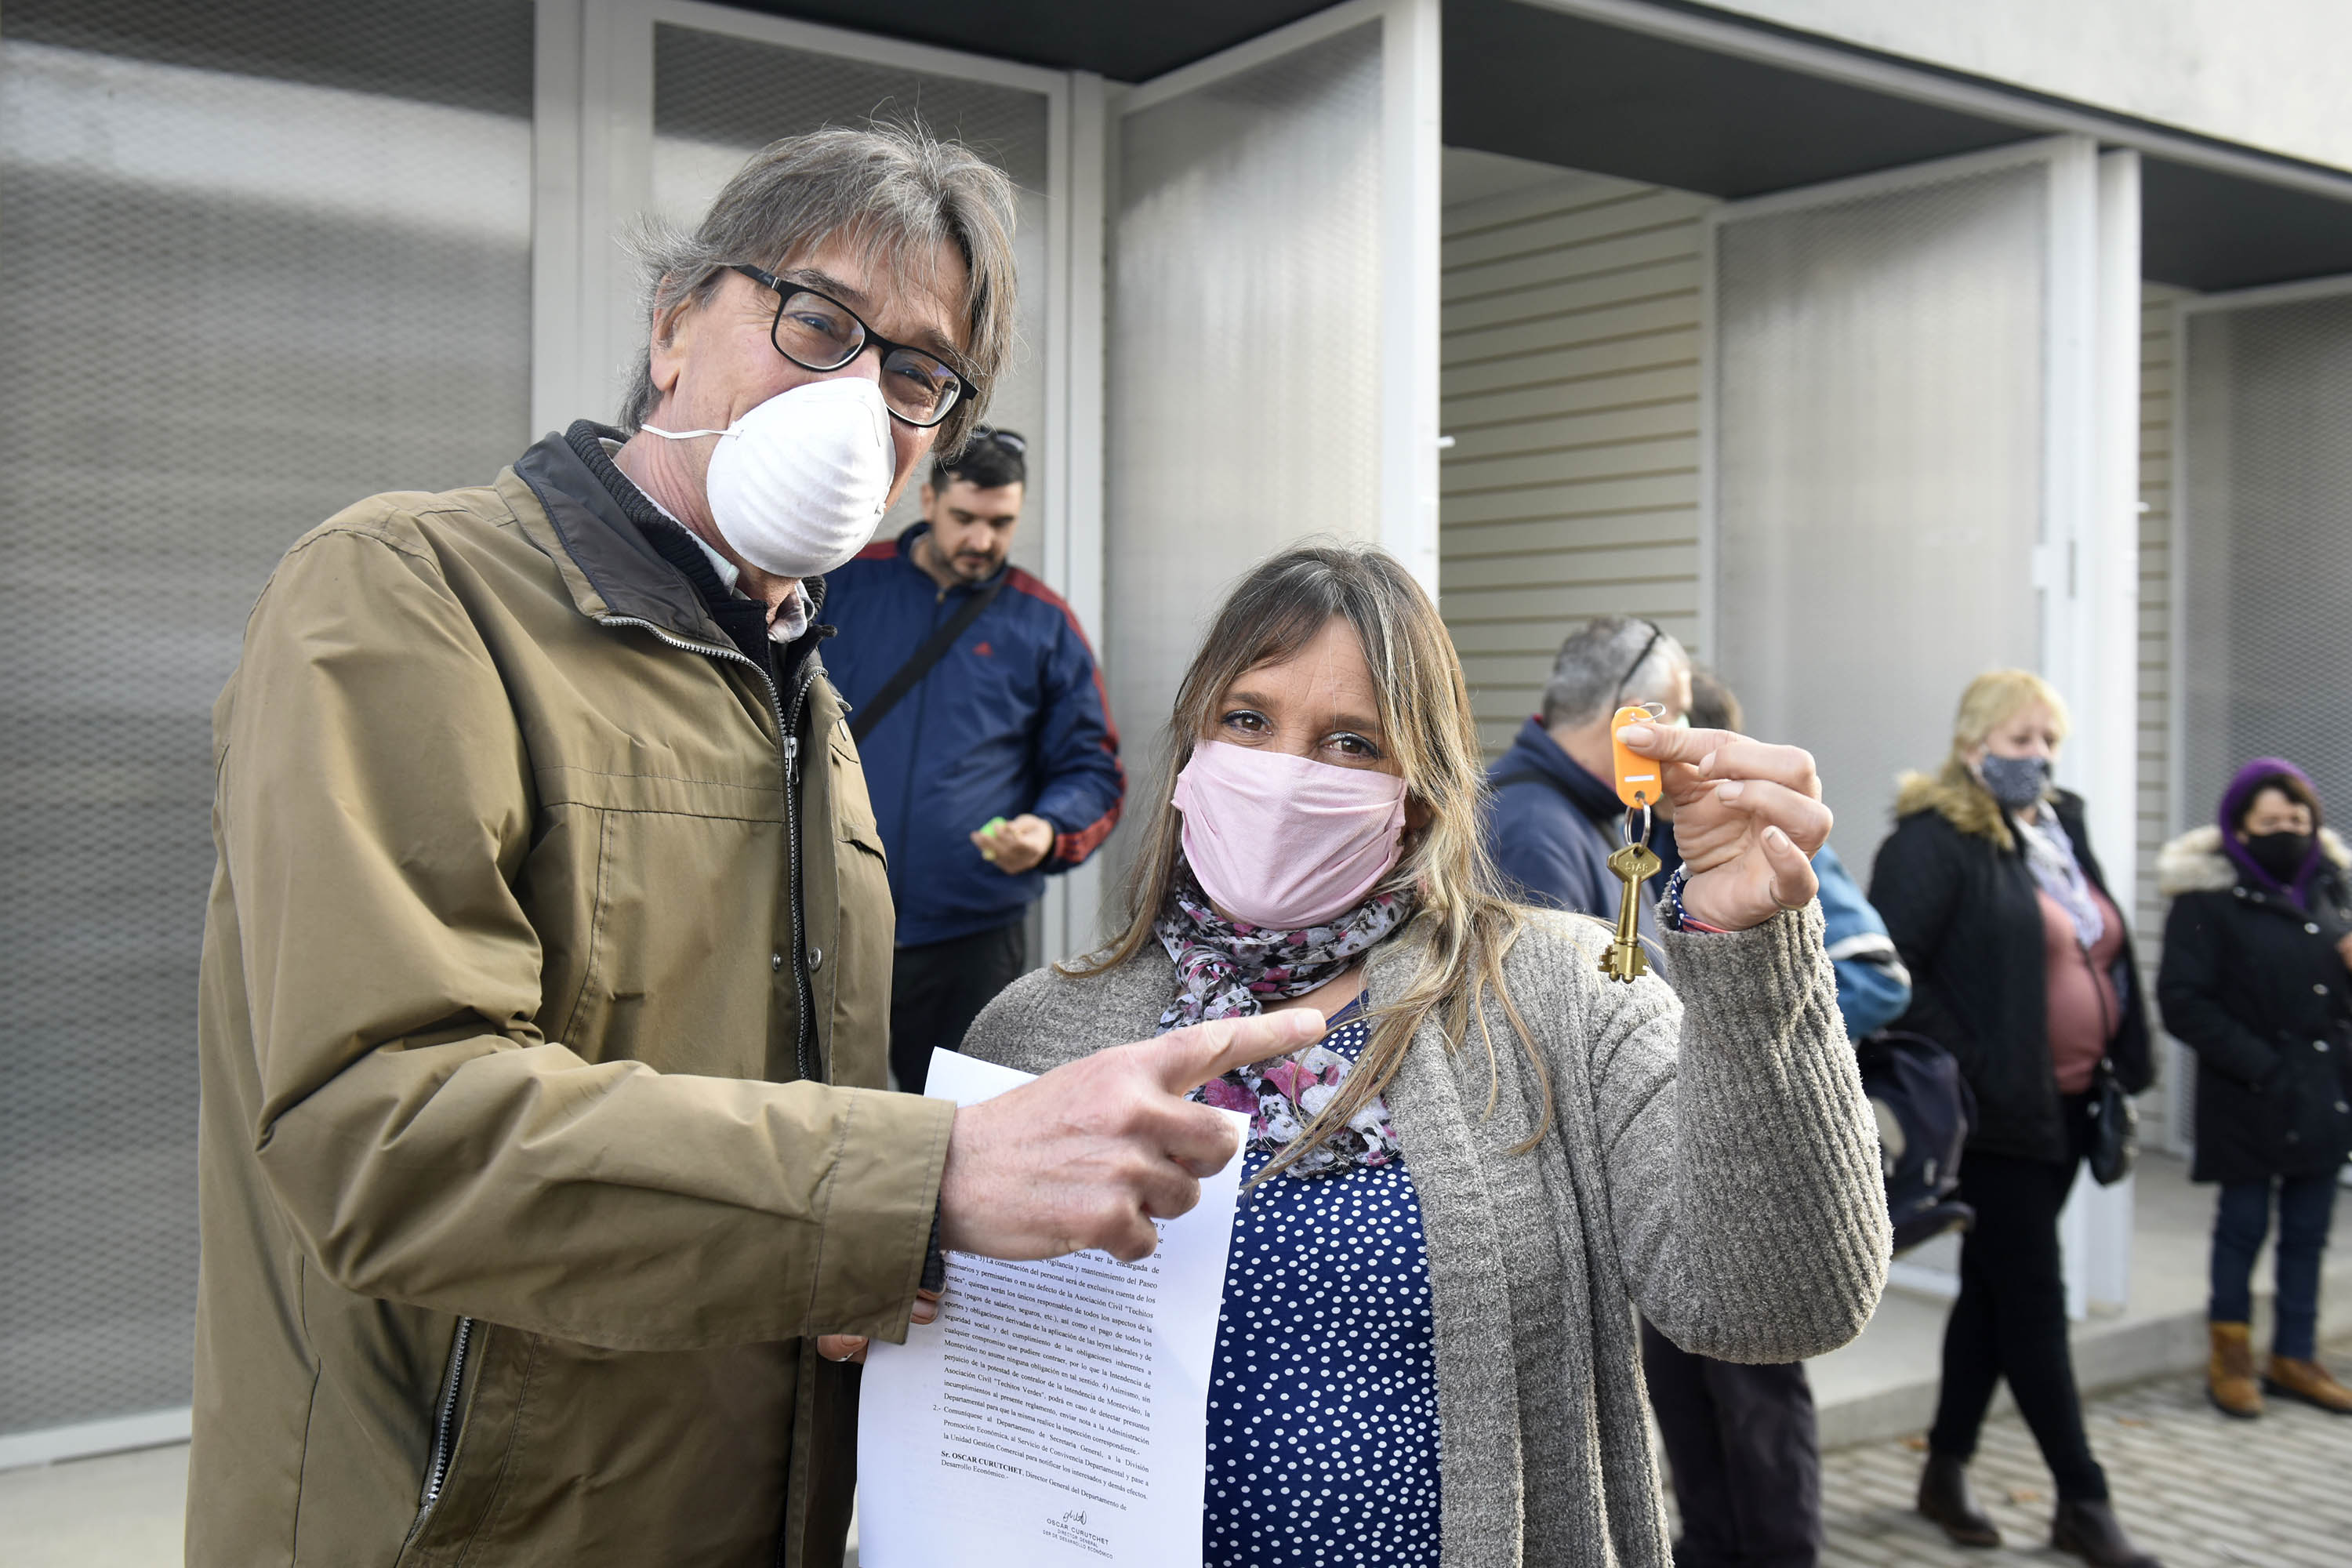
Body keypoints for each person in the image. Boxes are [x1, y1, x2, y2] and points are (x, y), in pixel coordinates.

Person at [186, 125, 1316, 1567]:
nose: (861, 400)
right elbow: (381, 1128)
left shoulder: (802, 696)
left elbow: (791, 1171)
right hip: (458, 1524)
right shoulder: (411, 594)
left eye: (918, 375)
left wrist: (881, 1268)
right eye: (820, 322)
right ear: (671, 327)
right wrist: (928, 1181)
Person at [946, 542, 1891, 1566]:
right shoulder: (1033, 1030)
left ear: (1421, 789)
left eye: (1351, 743)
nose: (1284, 772)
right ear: (1190, 748)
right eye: (1248, 719)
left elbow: (1777, 1303)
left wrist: (1752, 959)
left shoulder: (1567, 998)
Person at [1870, 670, 2160, 1568]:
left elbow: (2105, 942)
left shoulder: (2059, 825)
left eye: (2050, 743)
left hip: (2074, 1103)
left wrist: (2131, 1047)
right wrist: (1984, 1065)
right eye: (2023, 740)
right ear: (1973, 743)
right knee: (2035, 1299)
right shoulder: (1931, 839)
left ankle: (1944, 1467)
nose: (2040, 758)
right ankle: (2084, 1499)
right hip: (1992, 1119)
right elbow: (1894, 976)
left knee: (1995, 1294)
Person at [1638, 667, 1911, 1568]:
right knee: (1683, 1393)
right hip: (1657, 1162)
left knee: (1756, 1398)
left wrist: (1740, 1027)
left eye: (1654, 734)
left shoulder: (1760, 834)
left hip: (1752, 1158)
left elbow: (1875, 973)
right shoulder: (1627, 834)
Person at [823, 426, 1123, 1093]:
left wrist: (1049, 829)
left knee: (972, 1128)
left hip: (970, 941)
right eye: (964, 518)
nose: (982, 541)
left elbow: (1093, 771)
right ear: (927, 501)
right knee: (826, 1127)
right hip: (831, 920)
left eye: (1001, 523)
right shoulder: (839, 587)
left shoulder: (1041, 623)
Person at [2156, 758, 2352, 1418]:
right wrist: (2263, 1066)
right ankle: (2230, 1360)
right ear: (2239, 828)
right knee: (2242, 1229)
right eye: (2270, 821)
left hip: (2324, 1094)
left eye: (2298, 820)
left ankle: (2296, 1357)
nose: (2287, 831)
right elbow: (2183, 1001)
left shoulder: (2335, 892)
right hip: (2249, 1095)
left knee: (2308, 1233)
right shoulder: (2206, 899)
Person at [1486, 615, 1692, 947]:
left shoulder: (1580, 809)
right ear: (1635, 720)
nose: (1683, 730)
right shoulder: (1533, 836)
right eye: (1677, 713)